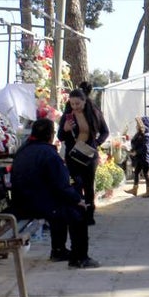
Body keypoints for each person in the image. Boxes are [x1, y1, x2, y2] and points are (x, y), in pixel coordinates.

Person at [7, 118, 98, 269]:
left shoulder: (24, 150)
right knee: (78, 212)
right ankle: (79, 258)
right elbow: (61, 186)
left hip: (20, 202)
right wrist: (77, 199)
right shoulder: (48, 154)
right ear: (51, 135)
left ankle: (59, 250)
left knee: (61, 206)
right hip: (34, 205)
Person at [58, 88, 109, 225]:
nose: (75, 107)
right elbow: (60, 137)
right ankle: (78, 212)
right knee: (76, 183)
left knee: (88, 184)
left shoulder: (93, 113)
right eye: (72, 104)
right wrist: (65, 129)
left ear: (84, 102)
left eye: (78, 104)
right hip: (73, 154)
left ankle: (89, 214)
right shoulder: (68, 116)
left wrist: (96, 144)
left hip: (89, 154)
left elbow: (105, 132)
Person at [127, 116, 149, 198]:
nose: (136, 126)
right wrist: (132, 149)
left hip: (145, 158)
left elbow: (145, 147)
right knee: (136, 172)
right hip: (140, 158)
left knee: (146, 174)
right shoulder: (139, 134)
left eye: (138, 125)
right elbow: (136, 143)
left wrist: (136, 152)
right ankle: (135, 189)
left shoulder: (147, 135)